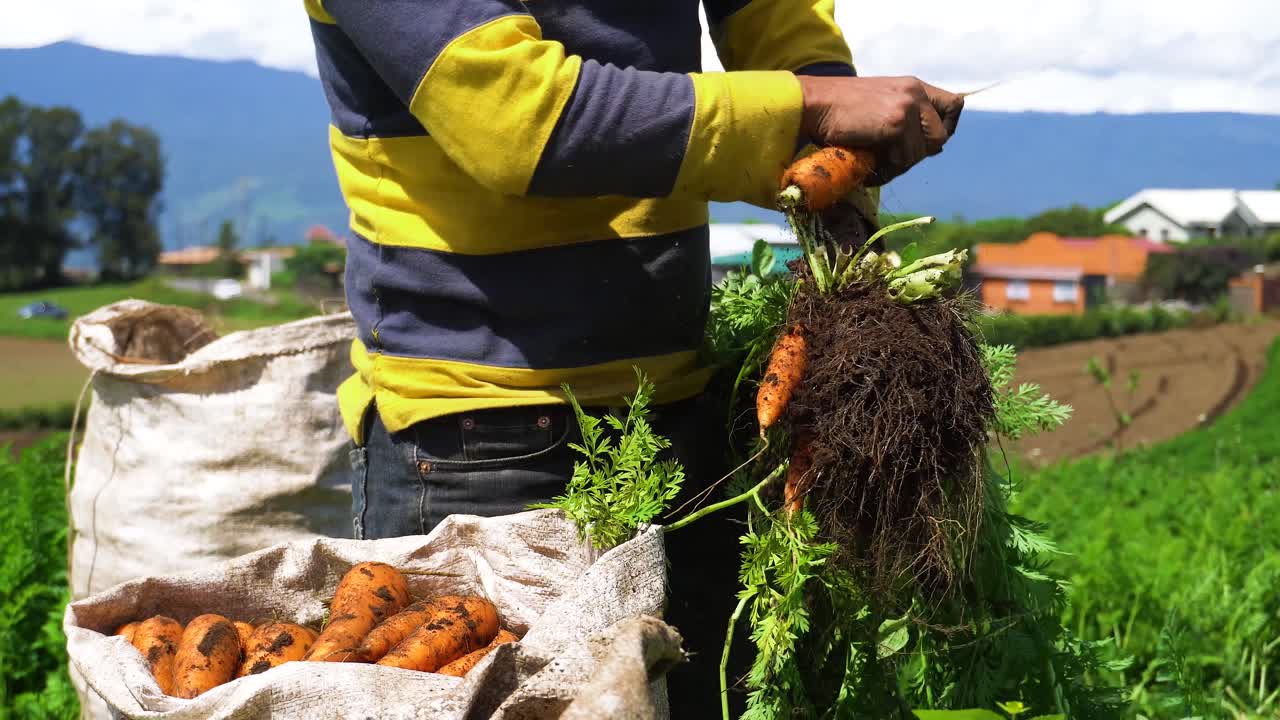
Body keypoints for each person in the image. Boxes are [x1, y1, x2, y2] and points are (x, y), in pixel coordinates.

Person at [303, 0, 963, 714]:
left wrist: (838, 157)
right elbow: (519, 116)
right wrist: (815, 104)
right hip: (482, 437)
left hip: (685, 415)